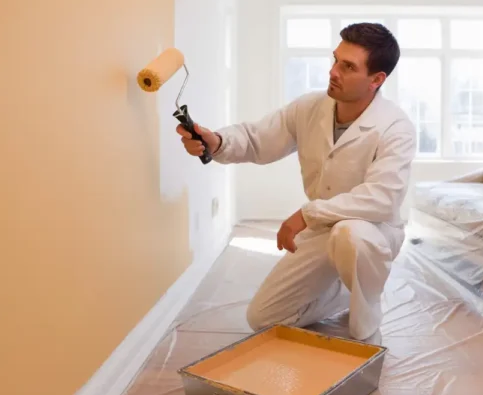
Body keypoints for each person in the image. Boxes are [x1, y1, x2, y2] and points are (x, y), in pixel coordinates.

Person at [176, 23, 416, 343]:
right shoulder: (310, 108)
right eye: (335, 60)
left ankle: (365, 303)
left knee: (350, 232)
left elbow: (381, 199)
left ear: (377, 79)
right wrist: (217, 141)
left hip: (371, 231)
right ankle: (345, 293)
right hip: (322, 228)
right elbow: (257, 139)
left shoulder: (395, 127)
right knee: (262, 318)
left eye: (347, 67)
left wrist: (306, 215)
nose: (333, 72)